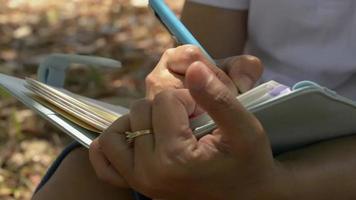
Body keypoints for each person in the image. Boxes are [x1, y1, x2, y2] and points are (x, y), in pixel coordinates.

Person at [33, 1, 356, 199]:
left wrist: (281, 186)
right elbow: (202, 56)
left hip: (328, 171)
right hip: (244, 134)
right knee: (87, 173)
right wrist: (183, 84)